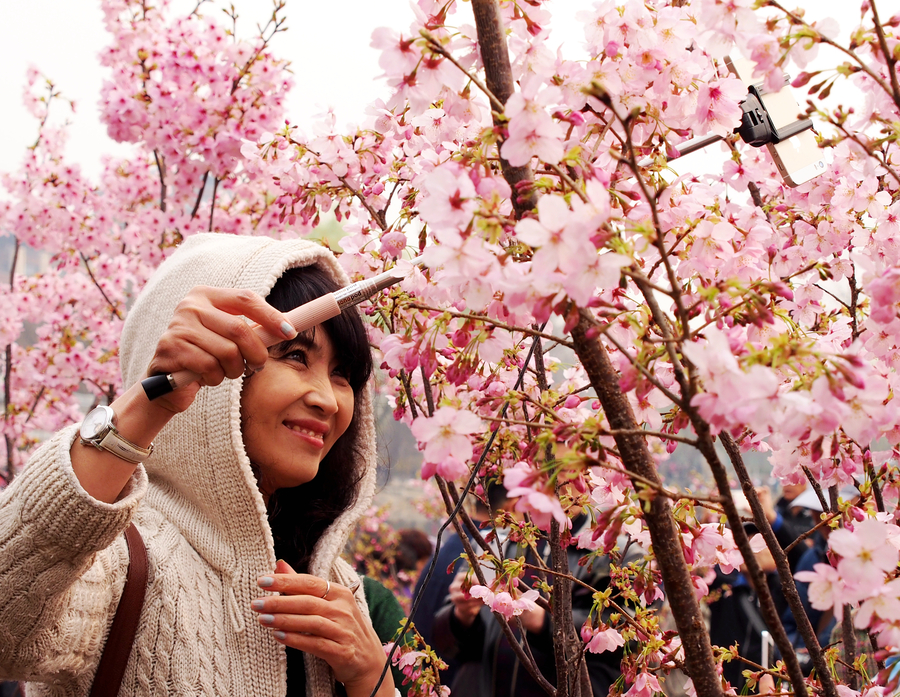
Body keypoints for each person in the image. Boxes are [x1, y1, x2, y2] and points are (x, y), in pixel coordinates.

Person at [0, 234, 395, 697]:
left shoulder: (338, 587)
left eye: (342, 375)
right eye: (293, 355)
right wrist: (153, 398)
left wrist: (373, 678)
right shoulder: (115, 560)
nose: (327, 400)